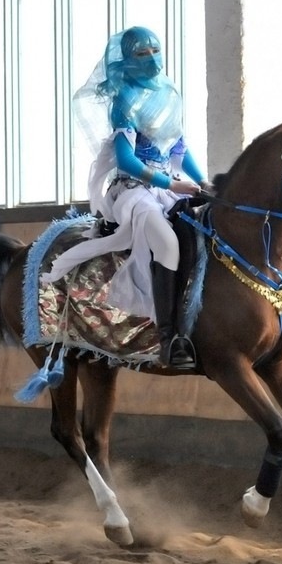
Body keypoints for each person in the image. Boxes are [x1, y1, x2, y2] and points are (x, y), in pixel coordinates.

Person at [41, 26, 209, 369]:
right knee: (167, 244)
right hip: (133, 190)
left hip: (167, 186)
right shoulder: (124, 100)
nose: (152, 59)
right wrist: (170, 183)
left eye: (155, 50)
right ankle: (169, 341)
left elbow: (179, 148)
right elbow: (126, 160)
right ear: (127, 59)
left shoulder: (170, 93)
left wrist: (203, 181)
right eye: (142, 54)